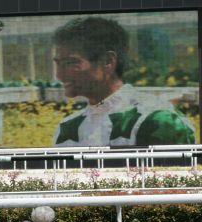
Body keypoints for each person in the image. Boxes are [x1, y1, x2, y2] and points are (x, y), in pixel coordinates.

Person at [52, 16, 196, 147]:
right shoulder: (68, 128)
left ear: (108, 61)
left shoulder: (157, 119)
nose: (59, 75)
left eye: (71, 63)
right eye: (58, 64)